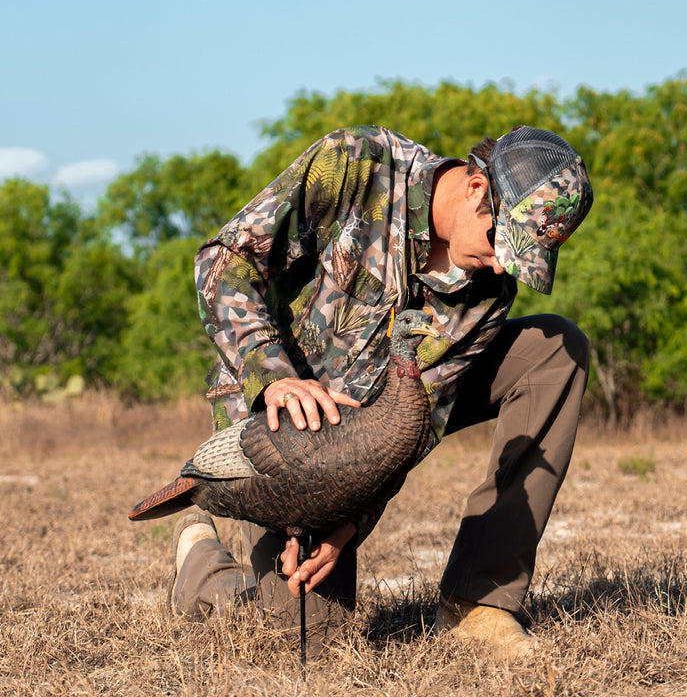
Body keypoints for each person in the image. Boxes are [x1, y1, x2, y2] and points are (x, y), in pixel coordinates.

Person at [171, 124, 593, 659]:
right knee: (297, 639)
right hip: (279, 440)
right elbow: (224, 263)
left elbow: (422, 423)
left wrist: (350, 523)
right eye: (500, 242)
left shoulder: (490, 291)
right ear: (476, 189)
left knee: (556, 348)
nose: (504, 265)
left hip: (371, 445)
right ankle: (201, 559)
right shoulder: (358, 163)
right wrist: (275, 376)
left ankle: (478, 601)